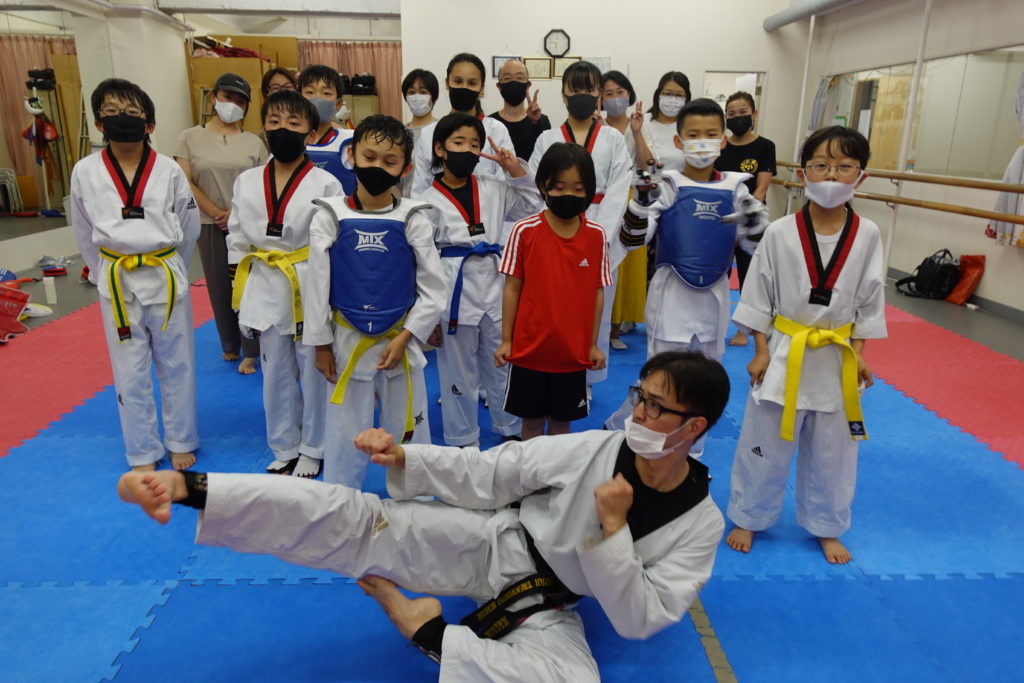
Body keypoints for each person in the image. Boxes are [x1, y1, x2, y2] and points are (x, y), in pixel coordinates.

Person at [117, 351, 729, 681]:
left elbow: (640, 618)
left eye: (655, 408)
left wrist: (613, 533)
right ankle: (188, 488)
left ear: (693, 427)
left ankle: (427, 631)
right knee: (358, 519)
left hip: (549, 604)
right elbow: (494, 473)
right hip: (493, 543)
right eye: (638, 397)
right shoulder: (597, 447)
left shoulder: (700, 525)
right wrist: (406, 457)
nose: (637, 414)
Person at [725, 126, 886, 565]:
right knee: (763, 441)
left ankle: (827, 525)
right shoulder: (780, 232)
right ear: (802, 173)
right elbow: (758, 292)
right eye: (821, 165)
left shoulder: (868, 233)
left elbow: (870, 298)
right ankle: (749, 515)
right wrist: (760, 351)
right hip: (784, 350)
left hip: (837, 354)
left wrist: (861, 355)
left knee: (835, 451)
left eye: (844, 166)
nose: (831, 175)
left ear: (861, 176)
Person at [611, 98, 768, 459]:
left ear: (723, 140)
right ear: (679, 141)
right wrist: (640, 202)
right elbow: (632, 240)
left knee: (704, 385)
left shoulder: (737, 188)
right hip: (672, 298)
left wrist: (755, 221)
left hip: (714, 299)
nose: (702, 142)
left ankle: (691, 457)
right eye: (693, 135)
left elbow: (756, 246)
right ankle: (642, 451)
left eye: (710, 134)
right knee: (659, 381)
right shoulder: (667, 184)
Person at [304, 114, 446, 488]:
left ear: (406, 168)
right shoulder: (329, 215)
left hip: (400, 341)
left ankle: (415, 501)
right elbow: (316, 286)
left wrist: (408, 336)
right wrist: (320, 343)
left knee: (410, 433)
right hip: (345, 341)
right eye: (369, 157)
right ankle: (341, 500)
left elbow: (434, 288)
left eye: (390, 161)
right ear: (351, 155)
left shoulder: (413, 217)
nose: (378, 167)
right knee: (344, 434)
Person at [71, 78, 200, 471]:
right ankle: (142, 450)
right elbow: (83, 230)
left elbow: (189, 225)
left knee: (177, 364)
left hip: (165, 274)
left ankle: (181, 440)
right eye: (111, 112)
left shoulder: (169, 170)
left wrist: (173, 265)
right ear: (98, 123)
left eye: (131, 112)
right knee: (129, 369)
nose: (121, 119)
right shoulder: (85, 171)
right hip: (117, 278)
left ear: (149, 124)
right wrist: (102, 271)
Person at [226, 90, 343, 479]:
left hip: (310, 277)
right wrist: (238, 282)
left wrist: (333, 293)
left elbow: (335, 239)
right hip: (264, 277)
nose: (283, 130)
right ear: (264, 129)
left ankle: (314, 446)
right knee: (274, 370)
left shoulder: (326, 183)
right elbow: (237, 235)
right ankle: (284, 445)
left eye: (293, 123)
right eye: (274, 122)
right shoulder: (247, 181)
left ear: (310, 133)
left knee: (313, 368)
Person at [420, 113, 540, 446]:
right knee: (457, 370)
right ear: (440, 149)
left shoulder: (493, 187)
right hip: (453, 288)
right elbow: (422, 261)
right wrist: (427, 314)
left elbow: (532, 206)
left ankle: (510, 426)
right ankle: (462, 437)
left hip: (496, 282)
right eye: (459, 142)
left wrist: (514, 169)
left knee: (503, 361)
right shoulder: (425, 201)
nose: (468, 151)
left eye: (475, 145)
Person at [528, 61, 632, 389]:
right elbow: (535, 187)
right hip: (555, 226)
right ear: (564, 94)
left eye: (589, 89)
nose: (582, 95)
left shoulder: (613, 138)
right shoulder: (547, 138)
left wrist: (599, 235)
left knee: (596, 304)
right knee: (556, 304)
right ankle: (553, 364)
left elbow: (619, 188)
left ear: (598, 94)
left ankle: (587, 374)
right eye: (575, 89)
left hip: (601, 232)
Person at [496, 143, 610, 440]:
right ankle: (529, 471)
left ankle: (558, 471)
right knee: (531, 424)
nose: (568, 194)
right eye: (559, 187)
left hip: (572, 354)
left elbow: (598, 292)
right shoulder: (524, 231)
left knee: (562, 426)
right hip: (529, 352)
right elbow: (512, 287)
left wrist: (593, 344)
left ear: (589, 190)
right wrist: (507, 340)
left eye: (578, 188)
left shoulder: (596, 236)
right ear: (543, 186)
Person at [174, 73, 267, 375]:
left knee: (247, 284)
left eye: (240, 101)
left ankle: (251, 349)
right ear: (214, 97)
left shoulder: (254, 143)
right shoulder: (189, 138)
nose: (233, 105)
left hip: (247, 223)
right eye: (228, 98)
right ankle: (229, 343)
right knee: (218, 284)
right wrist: (216, 212)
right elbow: (185, 181)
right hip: (209, 222)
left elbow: (263, 184)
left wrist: (236, 215)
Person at [715, 91, 777, 347]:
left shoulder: (765, 146)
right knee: (719, 273)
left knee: (748, 276)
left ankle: (743, 329)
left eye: (742, 113)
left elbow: (762, 187)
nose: (737, 117)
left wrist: (747, 215)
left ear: (754, 114)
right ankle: (716, 323)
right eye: (731, 114)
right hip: (722, 218)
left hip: (751, 220)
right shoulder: (721, 145)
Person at [409, 53, 514, 198]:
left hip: (488, 209)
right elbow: (420, 190)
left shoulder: (497, 130)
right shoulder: (429, 133)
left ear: (481, 88)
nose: (464, 87)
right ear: (447, 83)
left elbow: (506, 185)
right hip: (440, 211)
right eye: (458, 81)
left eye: (472, 83)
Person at [601, 70, 647, 352]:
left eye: (620, 92)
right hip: (604, 199)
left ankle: (619, 325)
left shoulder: (638, 124)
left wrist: (638, 132)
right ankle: (604, 324)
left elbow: (647, 164)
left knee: (629, 265)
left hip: (632, 199)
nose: (615, 98)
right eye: (609, 93)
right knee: (608, 262)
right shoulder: (596, 125)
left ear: (629, 94)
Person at [298, 64, 356, 196]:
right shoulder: (287, 141)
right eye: (310, 92)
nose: (317, 98)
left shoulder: (352, 142)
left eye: (326, 93)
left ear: (338, 104)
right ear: (299, 98)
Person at [489, 59, 551, 160]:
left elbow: (547, 158)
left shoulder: (542, 121)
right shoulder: (490, 123)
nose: (514, 82)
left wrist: (535, 123)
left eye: (519, 78)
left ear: (528, 85)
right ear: (499, 87)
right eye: (507, 78)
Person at [636, 71, 691, 173]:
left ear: (686, 99)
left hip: (681, 182)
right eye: (667, 94)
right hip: (649, 181)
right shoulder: (642, 123)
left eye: (679, 95)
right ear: (658, 95)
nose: (673, 99)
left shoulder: (689, 125)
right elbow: (643, 164)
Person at [399, 68, 439, 198]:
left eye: (423, 92)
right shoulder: (398, 133)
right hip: (403, 202)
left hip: (432, 202)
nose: (416, 97)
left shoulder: (440, 130)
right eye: (411, 92)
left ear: (433, 97)